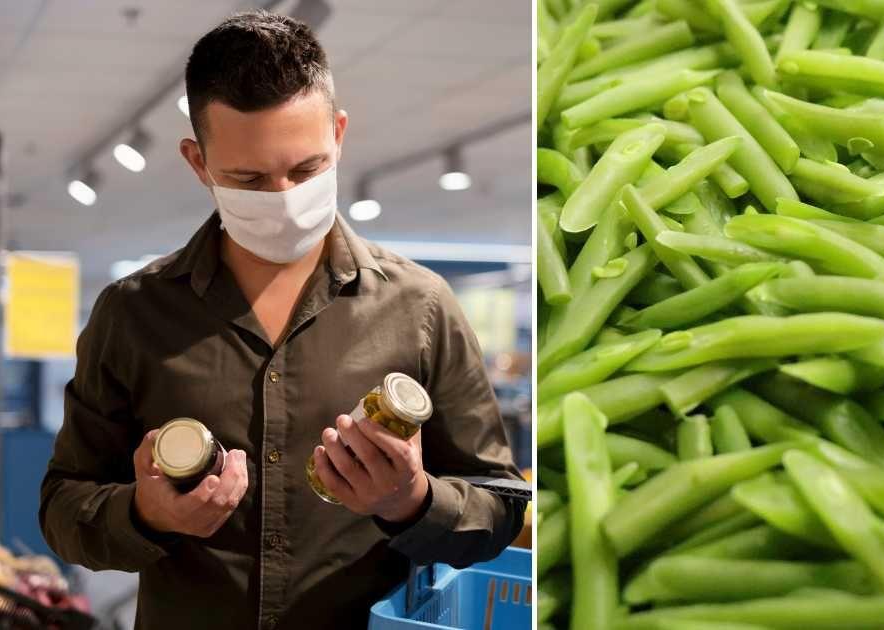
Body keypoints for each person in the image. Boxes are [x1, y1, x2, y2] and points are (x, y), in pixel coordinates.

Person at [38, 11, 525, 629]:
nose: (285, 198)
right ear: (198, 162)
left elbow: (503, 504)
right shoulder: (133, 313)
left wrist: (414, 501)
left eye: (307, 169)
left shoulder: (422, 306)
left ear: (340, 135)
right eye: (248, 178)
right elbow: (63, 505)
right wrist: (146, 514)